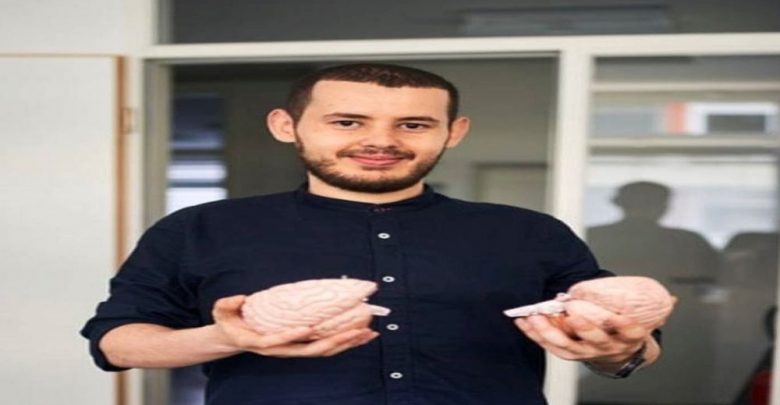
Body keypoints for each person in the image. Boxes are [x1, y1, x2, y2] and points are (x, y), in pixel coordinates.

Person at [82, 63, 664, 405]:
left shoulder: (529, 233)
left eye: (413, 124)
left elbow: (631, 342)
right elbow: (117, 343)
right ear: (286, 126)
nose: (381, 141)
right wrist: (228, 338)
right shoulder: (200, 228)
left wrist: (619, 352)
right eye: (347, 122)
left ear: (453, 131)